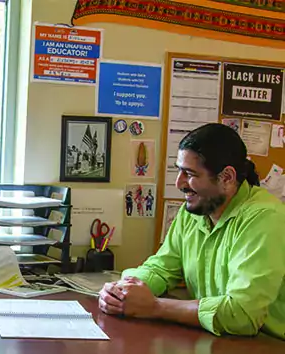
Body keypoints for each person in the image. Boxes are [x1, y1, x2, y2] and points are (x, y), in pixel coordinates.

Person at [99, 123, 285, 339]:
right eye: (179, 170)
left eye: (189, 174)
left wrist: (154, 307)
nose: (179, 183)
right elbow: (161, 268)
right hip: (220, 343)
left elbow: (242, 315)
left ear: (226, 177)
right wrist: (123, 290)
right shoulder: (194, 211)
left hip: (269, 350)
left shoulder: (265, 218)